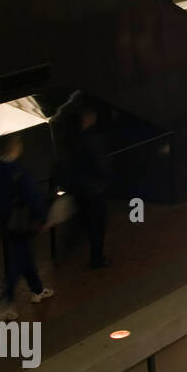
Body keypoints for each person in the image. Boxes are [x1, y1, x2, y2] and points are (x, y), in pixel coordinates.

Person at [0, 134, 51, 317]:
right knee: (19, 261)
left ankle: (37, 289)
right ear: (12, 147)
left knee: (24, 255)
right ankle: (6, 300)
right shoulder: (17, 170)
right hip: (22, 221)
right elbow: (32, 195)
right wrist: (42, 217)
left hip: (6, 223)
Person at [70, 107, 111, 268]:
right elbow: (101, 164)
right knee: (97, 224)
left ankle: (90, 254)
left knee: (88, 223)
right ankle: (97, 257)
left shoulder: (74, 140)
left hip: (82, 188)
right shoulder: (93, 140)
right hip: (94, 188)